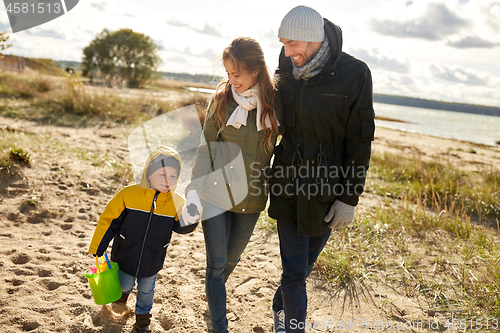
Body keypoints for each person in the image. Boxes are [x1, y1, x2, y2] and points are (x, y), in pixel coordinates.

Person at [268, 6, 375, 333]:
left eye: (292, 44)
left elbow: (360, 139)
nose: (287, 53)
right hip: (287, 180)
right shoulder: (287, 62)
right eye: (283, 44)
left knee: (303, 267)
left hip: (326, 189)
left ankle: (279, 311)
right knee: (295, 275)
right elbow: (276, 116)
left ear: (314, 39)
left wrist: (349, 199)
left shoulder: (355, 73)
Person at [184, 37, 280, 333]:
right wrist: (193, 188)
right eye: (228, 74)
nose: (231, 80)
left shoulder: (277, 105)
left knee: (231, 260)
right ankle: (219, 325)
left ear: (255, 70)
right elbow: (206, 147)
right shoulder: (222, 100)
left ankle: (214, 295)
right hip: (216, 195)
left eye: (236, 74)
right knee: (215, 265)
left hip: (251, 200)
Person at [88, 145, 199, 333]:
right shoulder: (128, 195)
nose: (167, 181)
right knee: (125, 284)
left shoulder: (176, 202)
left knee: (147, 292)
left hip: (152, 259)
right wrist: (99, 246)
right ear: (149, 174)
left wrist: (194, 211)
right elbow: (108, 221)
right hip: (125, 255)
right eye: (162, 175)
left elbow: (183, 228)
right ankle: (122, 297)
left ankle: (143, 321)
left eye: (173, 176)